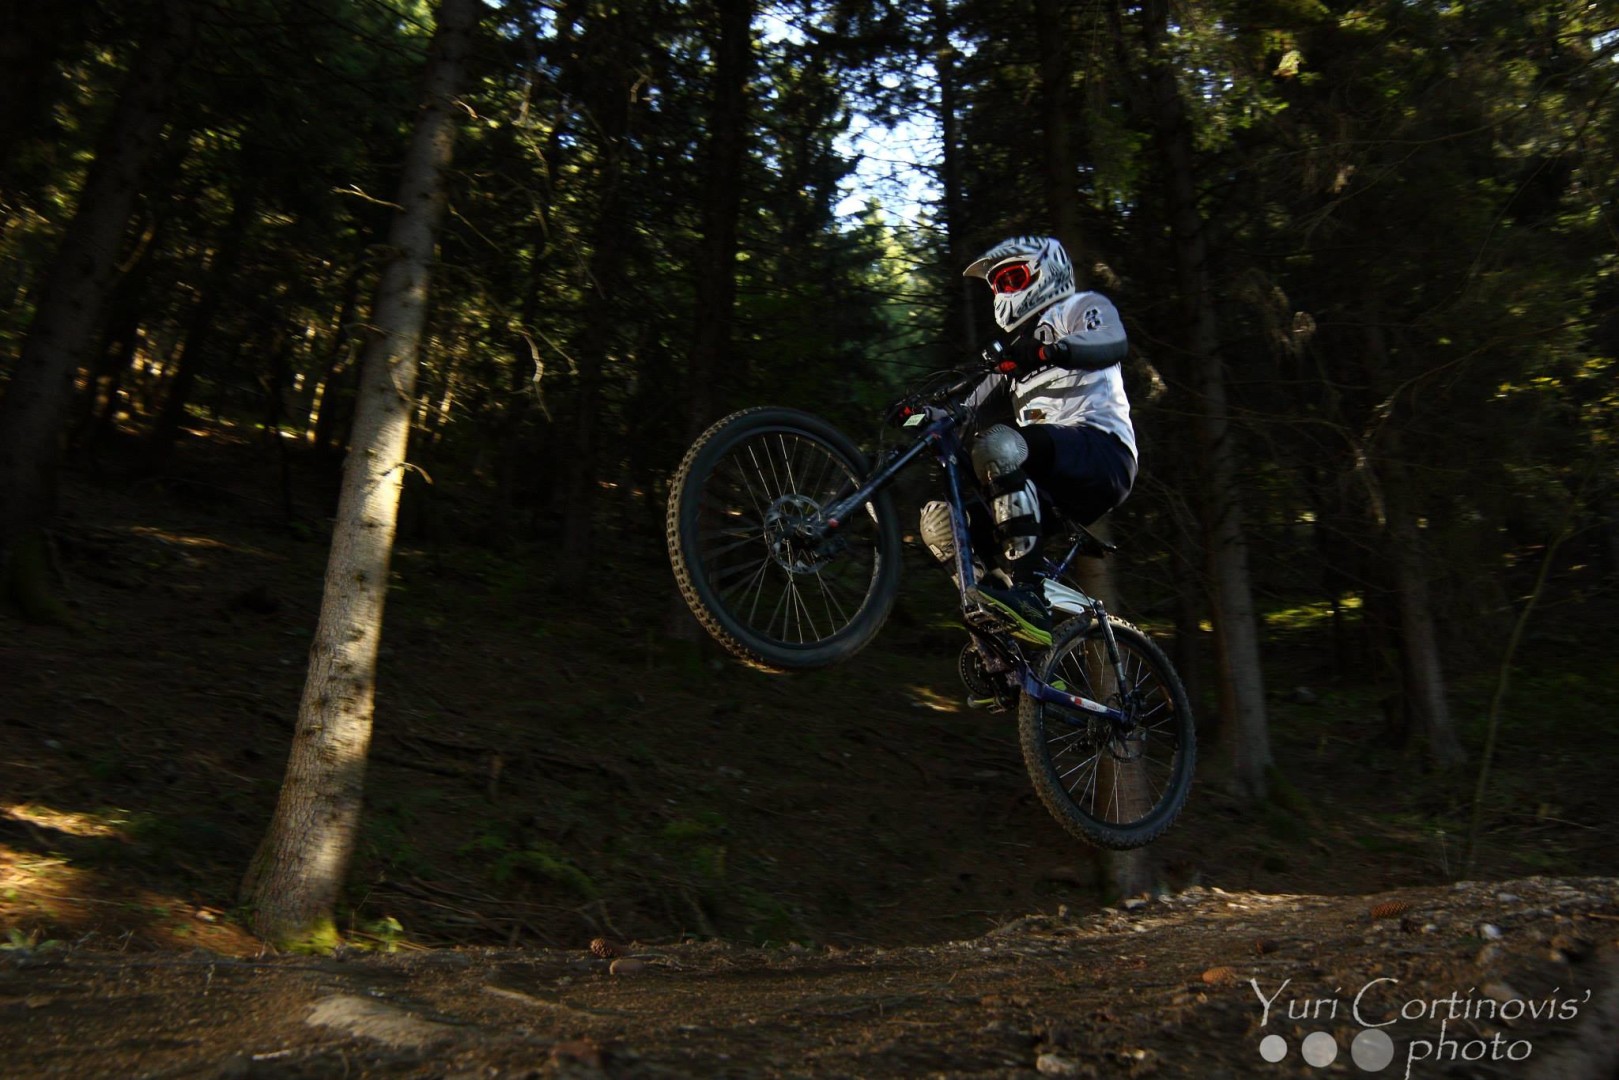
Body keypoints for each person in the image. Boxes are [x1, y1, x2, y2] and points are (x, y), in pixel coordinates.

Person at [925, 235, 1138, 647]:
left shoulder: (1081, 307)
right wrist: (927, 416)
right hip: (1048, 474)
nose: (1005, 292)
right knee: (943, 524)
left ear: (1047, 272)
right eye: (998, 286)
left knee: (997, 445)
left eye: (1013, 278)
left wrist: (1047, 352)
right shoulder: (1012, 350)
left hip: (1103, 452)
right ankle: (1005, 654)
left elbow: (1111, 341)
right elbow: (966, 403)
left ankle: (1031, 596)